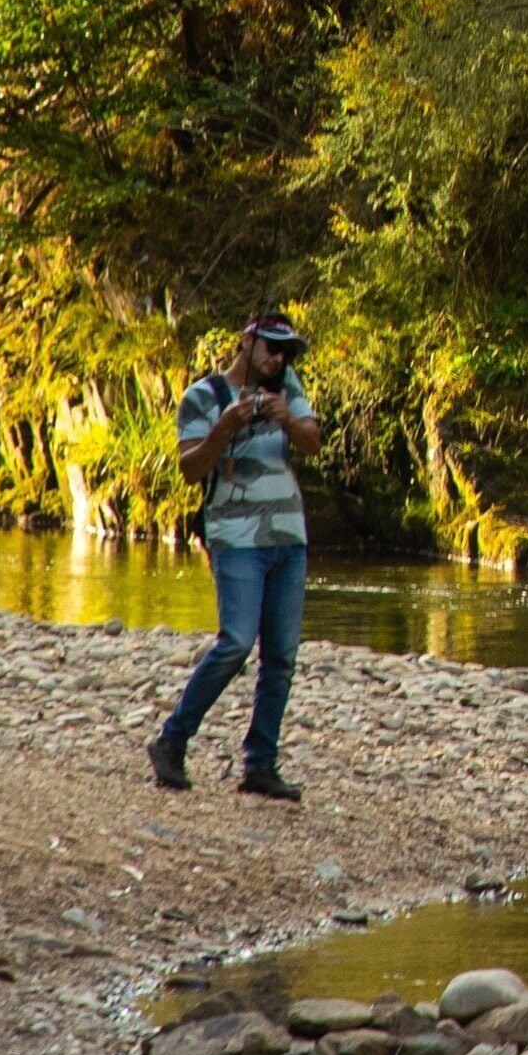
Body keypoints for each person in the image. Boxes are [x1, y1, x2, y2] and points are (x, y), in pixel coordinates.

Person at [148, 310, 326, 799]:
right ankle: (172, 741)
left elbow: (313, 444)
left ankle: (260, 766)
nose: (279, 358)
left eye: (286, 351)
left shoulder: (288, 387)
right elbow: (189, 469)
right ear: (246, 341)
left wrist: (287, 418)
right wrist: (224, 427)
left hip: (288, 538)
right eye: (272, 347)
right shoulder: (203, 396)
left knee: (282, 658)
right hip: (236, 539)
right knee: (235, 644)